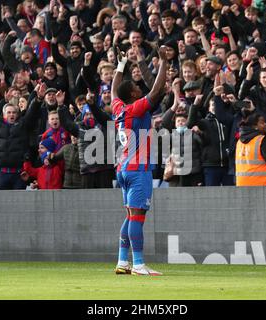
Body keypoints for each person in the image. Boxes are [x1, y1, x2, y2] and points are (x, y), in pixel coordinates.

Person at [112, 45, 168, 276]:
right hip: (138, 168)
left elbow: (115, 90)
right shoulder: (135, 108)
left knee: (130, 215)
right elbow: (157, 91)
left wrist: (121, 65)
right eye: (136, 87)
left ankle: (122, 261)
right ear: (134, 95)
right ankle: (138, 264)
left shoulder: (118, 108)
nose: (139, 87)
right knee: (138, 216)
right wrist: (163, 62)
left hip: (123, 168)